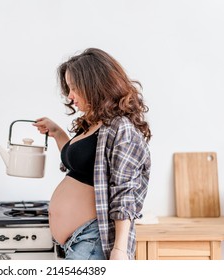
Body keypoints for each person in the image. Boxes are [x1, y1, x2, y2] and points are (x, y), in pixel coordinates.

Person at [33, 48, 151, 260]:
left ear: (94, 86)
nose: (70, 96)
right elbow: (80, 167)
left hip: (93, 238)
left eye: (74, 88)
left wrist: (120, 250)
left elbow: (124, 192)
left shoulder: (119, 127)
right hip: (77, 242)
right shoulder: (92, 124)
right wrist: (58, 133)